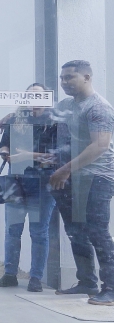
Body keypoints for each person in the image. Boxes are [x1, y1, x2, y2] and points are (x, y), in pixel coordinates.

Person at [48, 60, 114, 305]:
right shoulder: (67, 105)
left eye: (70, 77)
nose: (64, 82)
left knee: (97, 231)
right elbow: (44, 115)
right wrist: (15, 115)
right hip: (75, 176)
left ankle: (112, 288)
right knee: (76, 230)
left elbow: (100, 145)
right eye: (62, 78)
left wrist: (65, 169)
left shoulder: (99, 107)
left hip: (99, 176)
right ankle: (87, 282)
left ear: (87, 77)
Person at [0, 83, 56, 292]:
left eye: (38, 96)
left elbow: (57, 156)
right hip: (16, 180)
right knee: (12, 230)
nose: (34, 100)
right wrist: (5, 152)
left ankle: (35, 278)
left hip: (43, 183)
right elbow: (4, 143)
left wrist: (27, 156)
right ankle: (10, 274)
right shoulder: (17, 119)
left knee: (38, 231)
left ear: (47, 98)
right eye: (30, 96)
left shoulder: (54, 121)